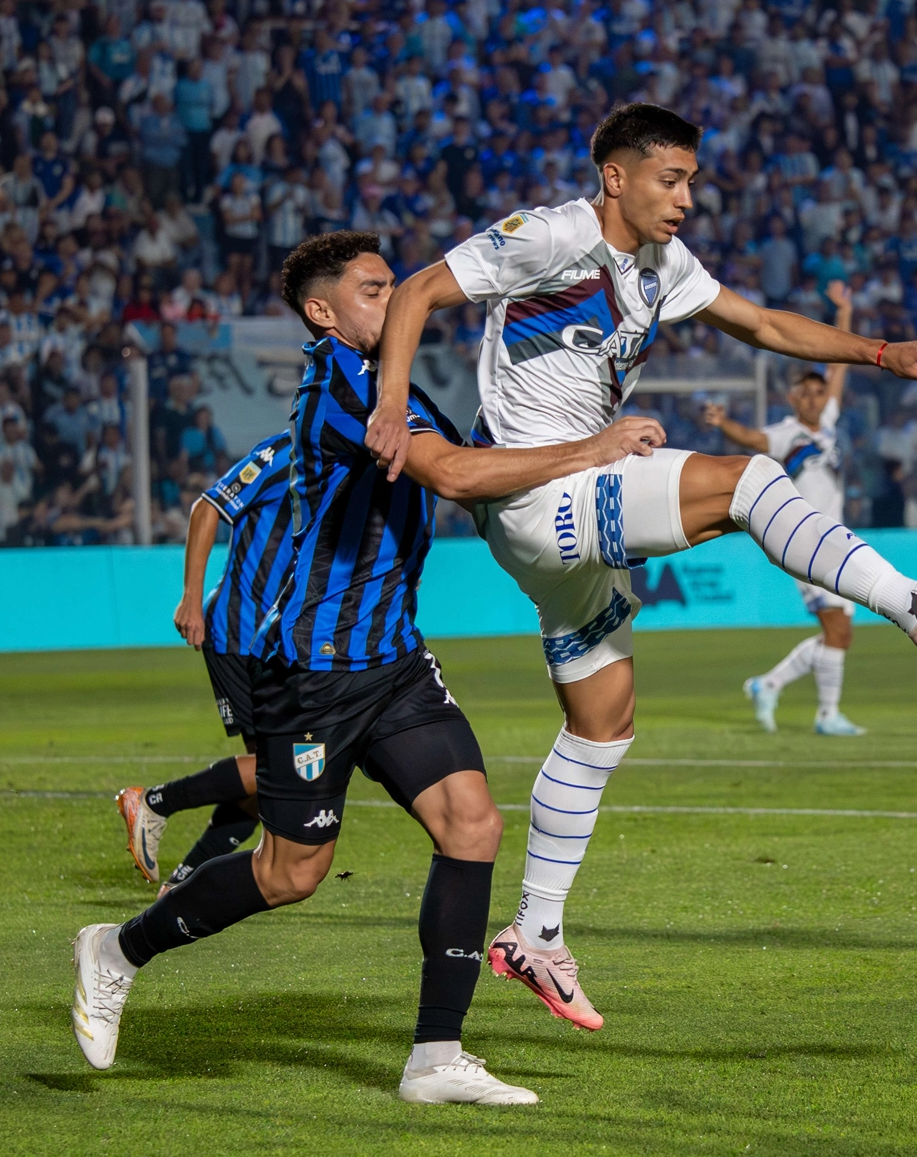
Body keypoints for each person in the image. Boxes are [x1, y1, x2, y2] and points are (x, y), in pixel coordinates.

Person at [369, 104, 917, 1032]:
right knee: (750, 481)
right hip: (535, 494)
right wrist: (393, 405)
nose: (684, 199)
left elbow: (760, 323)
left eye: (691, 182)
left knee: (603, 721)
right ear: (615, 178)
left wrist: (878, 351)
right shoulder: (550, 236)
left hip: (560, 529)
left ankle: (534, 935)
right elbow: (416, 290)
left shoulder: (661, 267)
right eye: (669, 180)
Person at [71, 231, 668, 1105]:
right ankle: (116, 949)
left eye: (396, 287)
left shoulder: (394, 385)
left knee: (472, 824)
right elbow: (457, 476)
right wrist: (592, 450)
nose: (397, 301)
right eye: (374, 290)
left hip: (391, 658)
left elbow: (477, 471)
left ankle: (435, 1058)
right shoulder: (338, 393)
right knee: (291, 874)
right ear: (322, 311)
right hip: (310, 672)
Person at [113, 429, 294, 894]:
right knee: (277, 768)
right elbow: (207, 507)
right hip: (241, 629)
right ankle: (154, 802)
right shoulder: (282, 451)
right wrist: (190, 599)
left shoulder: (348, 461)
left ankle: (181, 883)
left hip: (279, 642)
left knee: (264, 789)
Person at [700, 280, 865, 736]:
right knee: (837, 630)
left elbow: (839, 368)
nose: (816, 397)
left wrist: (844, 314)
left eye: (818, 392)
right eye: (806, 392)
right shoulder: (785, 433)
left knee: (841, 634)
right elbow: (751, 441)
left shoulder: (827, 423)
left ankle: (768, 684)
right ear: (792, 399)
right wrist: (723, 423)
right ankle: (826, 715)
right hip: (806, 541)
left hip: (836, 537)